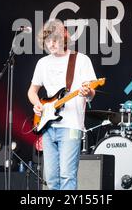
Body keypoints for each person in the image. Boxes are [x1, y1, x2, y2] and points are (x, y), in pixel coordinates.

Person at [27, 19, 97, 190]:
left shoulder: (81, 60)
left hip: (71, 125)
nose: (50, 44)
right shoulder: (42, 63)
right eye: (47, 41)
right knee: (51, 179)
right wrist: (37, 104)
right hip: (47, 125)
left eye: (54, 40)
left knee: (67, 175)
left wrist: (88, 92)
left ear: (64, 38)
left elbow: (92, 91)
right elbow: (31, 91)